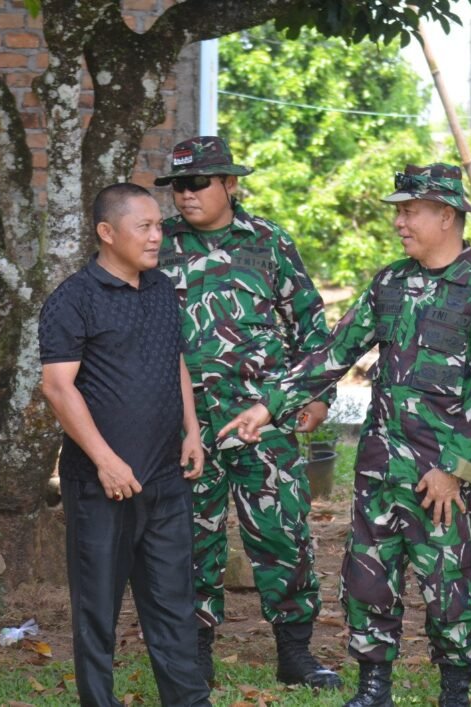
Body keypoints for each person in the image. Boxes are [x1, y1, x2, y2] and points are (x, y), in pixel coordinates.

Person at [221, 163, 471, 707]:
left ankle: (455, 692)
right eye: (398, 211)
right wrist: (269, 407)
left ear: (446, 216)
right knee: (367, 581)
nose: (400, 221)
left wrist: (456, 471)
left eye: (410, 211)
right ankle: (372, 687)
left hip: (440, 475)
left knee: (448, 589)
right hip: (380, 464)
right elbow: (334, 353)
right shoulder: (390, 282)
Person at [153, 136, 341, 689]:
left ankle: (295, 652)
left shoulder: (269, 243)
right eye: (176, 186)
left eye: (196, 184)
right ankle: (195, 653)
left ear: (230, 185)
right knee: (190, 537)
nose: (183, 196)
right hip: (185, 423)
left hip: (265, 420)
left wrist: (318, 395)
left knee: (283, 532)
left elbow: (310, 322)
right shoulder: (157, 246)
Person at [39, 183, 211, 707]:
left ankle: (188, 701)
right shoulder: (73, 300)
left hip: (164, 477)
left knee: (174, 605)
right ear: (107, 233)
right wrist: (106, 461)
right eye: (145, 226)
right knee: (97, 611)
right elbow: (57, 387)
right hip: (101, 485)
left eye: (159, 225)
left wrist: (193, 429)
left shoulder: (161, 288)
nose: (158, 235)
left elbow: (174, 359)